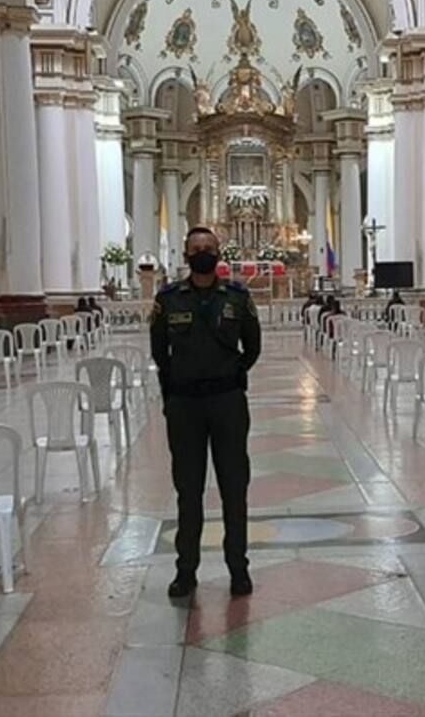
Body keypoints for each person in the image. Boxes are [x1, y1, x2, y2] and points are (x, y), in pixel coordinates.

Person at [150, 227, 262, 599]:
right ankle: (186, 571)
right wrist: (177, 387)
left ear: (218, 254)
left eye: (208, 248)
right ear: (186, 254)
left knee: (234, 487)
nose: (202, 253)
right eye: (196, 249)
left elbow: (253, 347)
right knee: (188, 489)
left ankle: (238, 569)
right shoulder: (168, 300)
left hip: (227, 402)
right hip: (184, 406)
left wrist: (230, 374)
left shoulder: (236, 296)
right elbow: (159, 352)